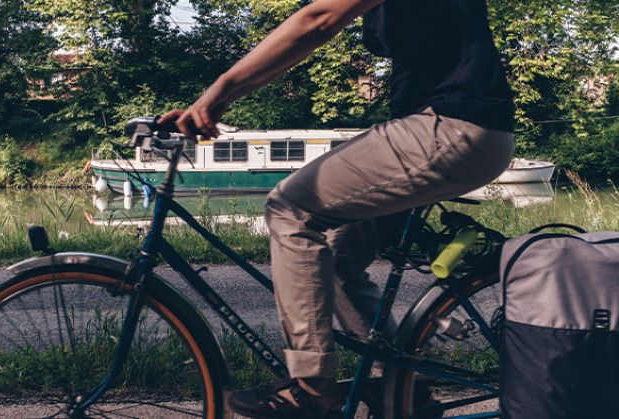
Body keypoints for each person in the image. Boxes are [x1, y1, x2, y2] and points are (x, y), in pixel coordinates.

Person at [161, 0, 515, 417]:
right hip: (455, 126)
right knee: (337, 254)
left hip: (451, 126)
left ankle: (311, 388)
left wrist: (221, 90)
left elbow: (318, 20)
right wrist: (222, 98)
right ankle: (403, 389)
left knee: (290, 208)